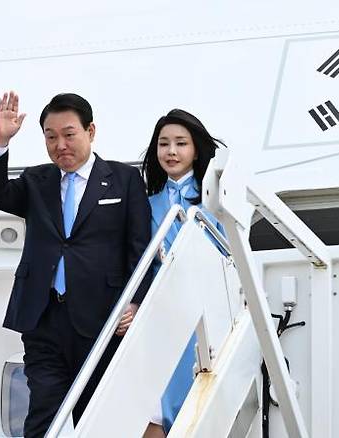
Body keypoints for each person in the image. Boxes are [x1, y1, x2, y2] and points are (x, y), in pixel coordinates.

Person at [0, 91, 152, 438]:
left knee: (100, 418)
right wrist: (0, 141)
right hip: (44, 319)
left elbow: (140, 249)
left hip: (103, 320)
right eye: (51, 136)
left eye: (69, 134)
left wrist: (136, 302)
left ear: (91, 131)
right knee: (44, 414)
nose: (60, 145)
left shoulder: (123, 180)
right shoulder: (36, 180)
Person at [140, 109, 227, 437]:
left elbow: (226, 257)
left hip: (202, 312)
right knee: (158, 405)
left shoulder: (213, 202)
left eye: (180, 143)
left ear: (196, 149)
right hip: (161, 314)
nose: (171, 151)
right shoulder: (146, 204)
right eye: (164, 144)